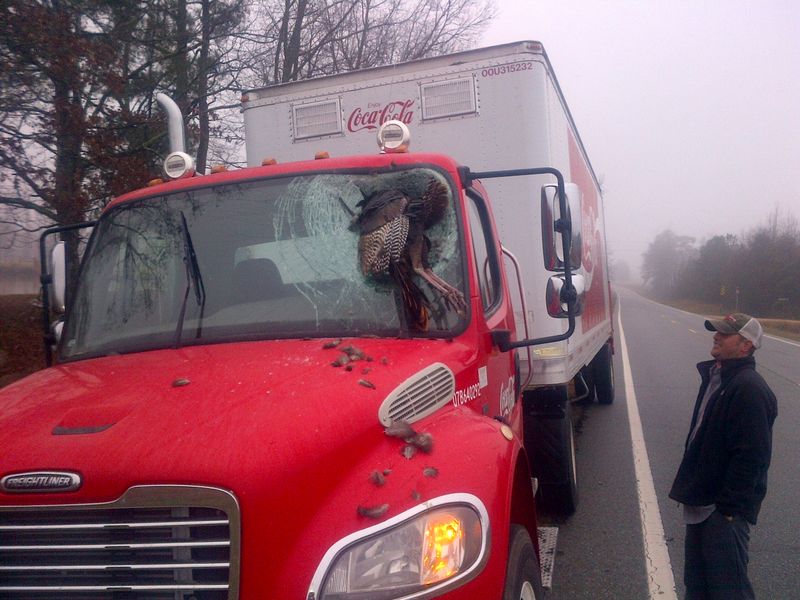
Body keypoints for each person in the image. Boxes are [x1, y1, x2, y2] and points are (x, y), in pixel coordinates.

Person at [669, 313, 778, 600]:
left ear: (746, 345)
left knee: (728, 590)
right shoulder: (717, 377)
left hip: (722, 511)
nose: (716, 336)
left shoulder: (749, 388)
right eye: (716, 331)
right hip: (703, 502)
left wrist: (728, 509)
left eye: (724, 334)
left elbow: (753, 456)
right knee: (698, 585)